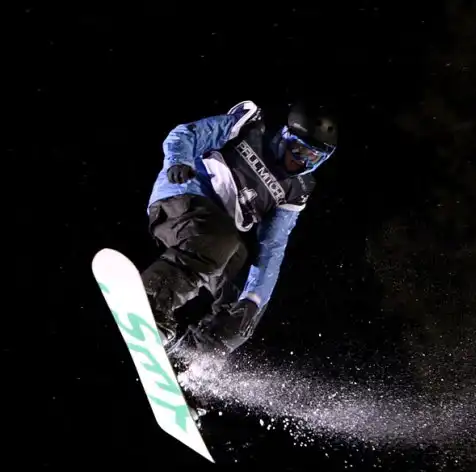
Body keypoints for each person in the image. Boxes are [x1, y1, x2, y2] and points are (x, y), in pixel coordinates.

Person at [140, 100, 337, 361]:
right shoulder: (251, 126)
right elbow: (187, 133)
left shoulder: (298, 189)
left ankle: (193, 362)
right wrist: (179, 160)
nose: (300, 162)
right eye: (297, 149)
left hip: (219, 236)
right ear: (284, 136)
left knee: (243, 306)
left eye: (313, 158)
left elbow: (272, 246)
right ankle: (151, 302)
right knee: (220, 239)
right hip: (183, 198)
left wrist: (254, 299)